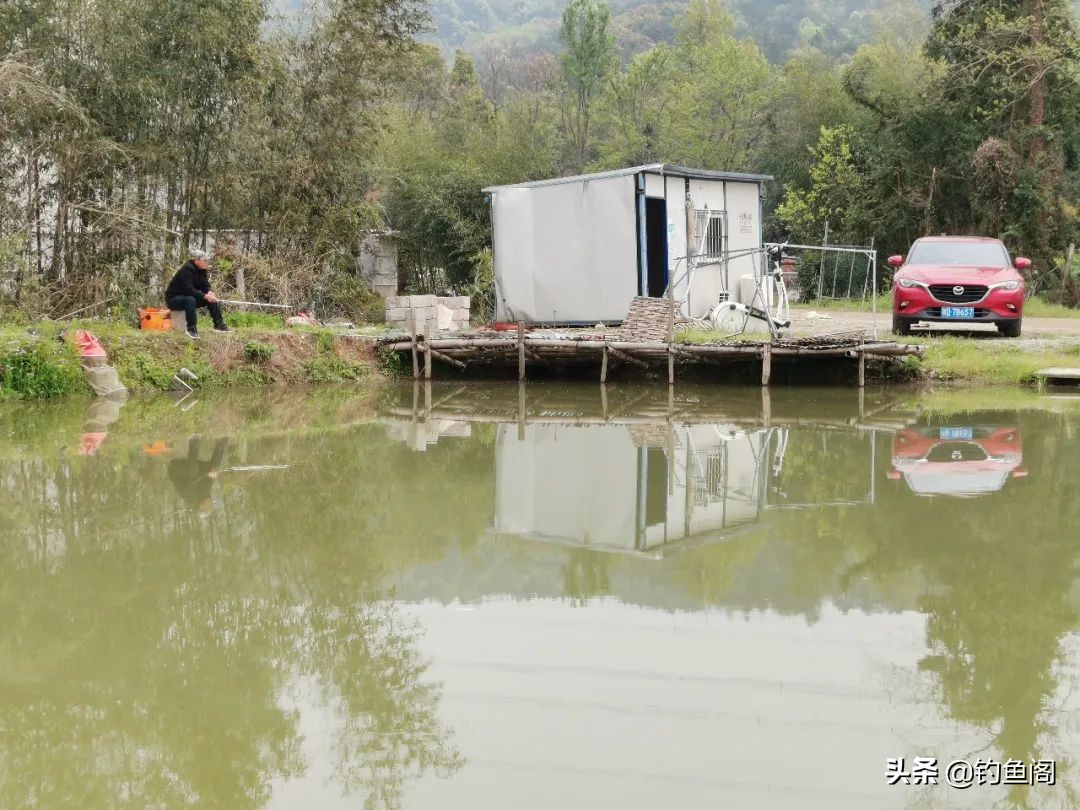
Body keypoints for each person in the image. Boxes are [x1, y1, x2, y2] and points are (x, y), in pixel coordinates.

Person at [165, 249, 230, 339]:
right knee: (190, 300)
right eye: (205, 261)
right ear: (197, 260)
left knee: (211, 298)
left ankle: (219, 325)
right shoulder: (187, 269)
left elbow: (205, 284)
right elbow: (188, 289)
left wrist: (209, 291)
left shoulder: (202, 269)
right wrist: (205, 296)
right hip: (174, 299)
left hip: (189, 297)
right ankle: (191, 329)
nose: (207, 263)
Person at [168, 436, 229, 516]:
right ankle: (221, 442)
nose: (211, 503)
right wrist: (213, 474)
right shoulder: (205, 496)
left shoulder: (190, 497)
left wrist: (207, 474)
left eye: (208, 506)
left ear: (201, 506)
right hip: (191, 469)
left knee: (193, 472)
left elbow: (193, 480)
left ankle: (194, 440)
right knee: (214, 467)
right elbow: (208, 481)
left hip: (176, 468)